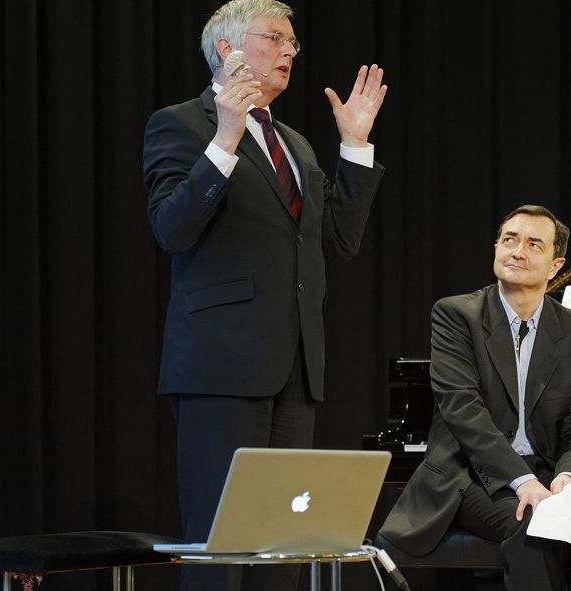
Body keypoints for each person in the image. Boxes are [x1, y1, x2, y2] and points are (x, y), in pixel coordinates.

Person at [141, 0, 386, 589]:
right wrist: (224, 139)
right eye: (275, 38)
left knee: (282, 553)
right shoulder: (179, 124)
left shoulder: (296, 145)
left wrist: (353, 145)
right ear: (227, 50)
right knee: (219, 555)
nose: (289, 52)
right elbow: (172, 229)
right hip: (220, 369)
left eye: (293, 44)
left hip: (294, 372)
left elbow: (340, 240)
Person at [380, 205, 571, 590]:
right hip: (471, 473)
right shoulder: (457, 315)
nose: (518, 251)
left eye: (534, 244)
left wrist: (568, 478)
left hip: (548, 471)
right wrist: (523, 482)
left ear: (555, 266)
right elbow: (464, 413)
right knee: (537, 527)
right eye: (510, 240)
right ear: (496, 248)